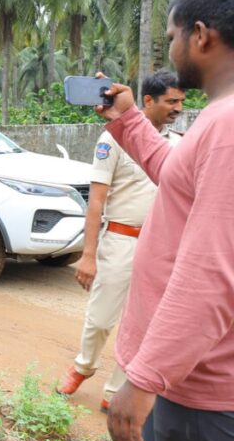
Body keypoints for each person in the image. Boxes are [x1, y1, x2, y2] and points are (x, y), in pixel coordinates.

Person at [96, 0, 234, 441]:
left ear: (201, 36)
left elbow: (211, 276)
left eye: (173, 34)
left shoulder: (226, 129)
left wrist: (146, 378)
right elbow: (178, 176)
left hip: (196, 389)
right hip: (191, 378)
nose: (171, 48)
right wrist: (130, 119)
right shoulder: (217, 121)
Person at [57, 71, 184, 412]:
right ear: (147, 101)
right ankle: (83, 366)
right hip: (120, 240)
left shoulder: (179, 144)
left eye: (181, 102)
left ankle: (115, 390)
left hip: (159, 248)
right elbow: (96, 201)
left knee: (144, 325)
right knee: (100, 319)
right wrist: (88, 255)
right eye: (171, 101)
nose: (178, 108)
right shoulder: (113, 138)